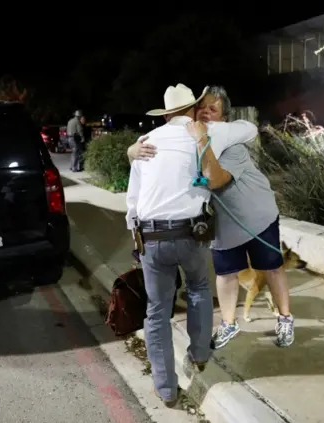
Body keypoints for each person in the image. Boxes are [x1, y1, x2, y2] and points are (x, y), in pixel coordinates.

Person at [127, 86, 294, 349]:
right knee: (226, 275)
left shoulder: (230, 146)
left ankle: (285, 318)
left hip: (256, 218)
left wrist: (202, 141)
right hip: (223, 224)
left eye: (212, 109)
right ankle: (229, 323)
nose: (205, 112)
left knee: (271, 268)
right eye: (201, 107)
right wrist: (131, 152)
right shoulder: (188, 141)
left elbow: (215, 181)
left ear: (223, 118)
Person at [126, 83, 257, 408]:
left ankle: (165, 388)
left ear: (167, 113)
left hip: (152, 237)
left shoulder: (146, 142)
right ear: (193, 107)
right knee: (198, 289)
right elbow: (251, 129)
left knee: (157, 311)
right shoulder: (208, 131)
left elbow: (133, 199)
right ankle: (199, 354)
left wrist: (135, 234)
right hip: (192, 233)